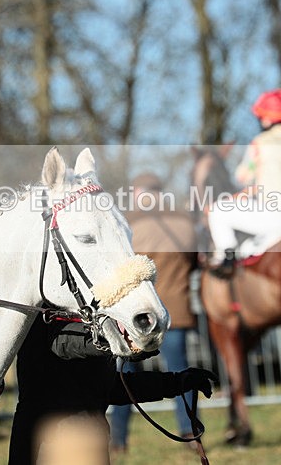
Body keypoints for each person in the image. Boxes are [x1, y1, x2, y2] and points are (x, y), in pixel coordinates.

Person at [9, 316, 216, 465]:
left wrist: (177, 382)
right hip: (47, 448)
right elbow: (62, 342)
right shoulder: (41, 314)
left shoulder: (90, 317)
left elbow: (107, 387)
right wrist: (116, 342)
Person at [109, 172, 199, 453]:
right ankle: (190, 434)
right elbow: (195, 263)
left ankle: (119, 440)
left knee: (126, 376)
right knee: (180, 374)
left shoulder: (129, 223)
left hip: (137, 316)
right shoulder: (184, 223)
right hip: (177, 311)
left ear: (138, 193)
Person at [208, 88, 281, 277]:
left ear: (266, 118)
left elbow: (241, 177)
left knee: (217, 210)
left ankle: (226, 258)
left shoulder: (260, 142)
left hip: (273, 216)